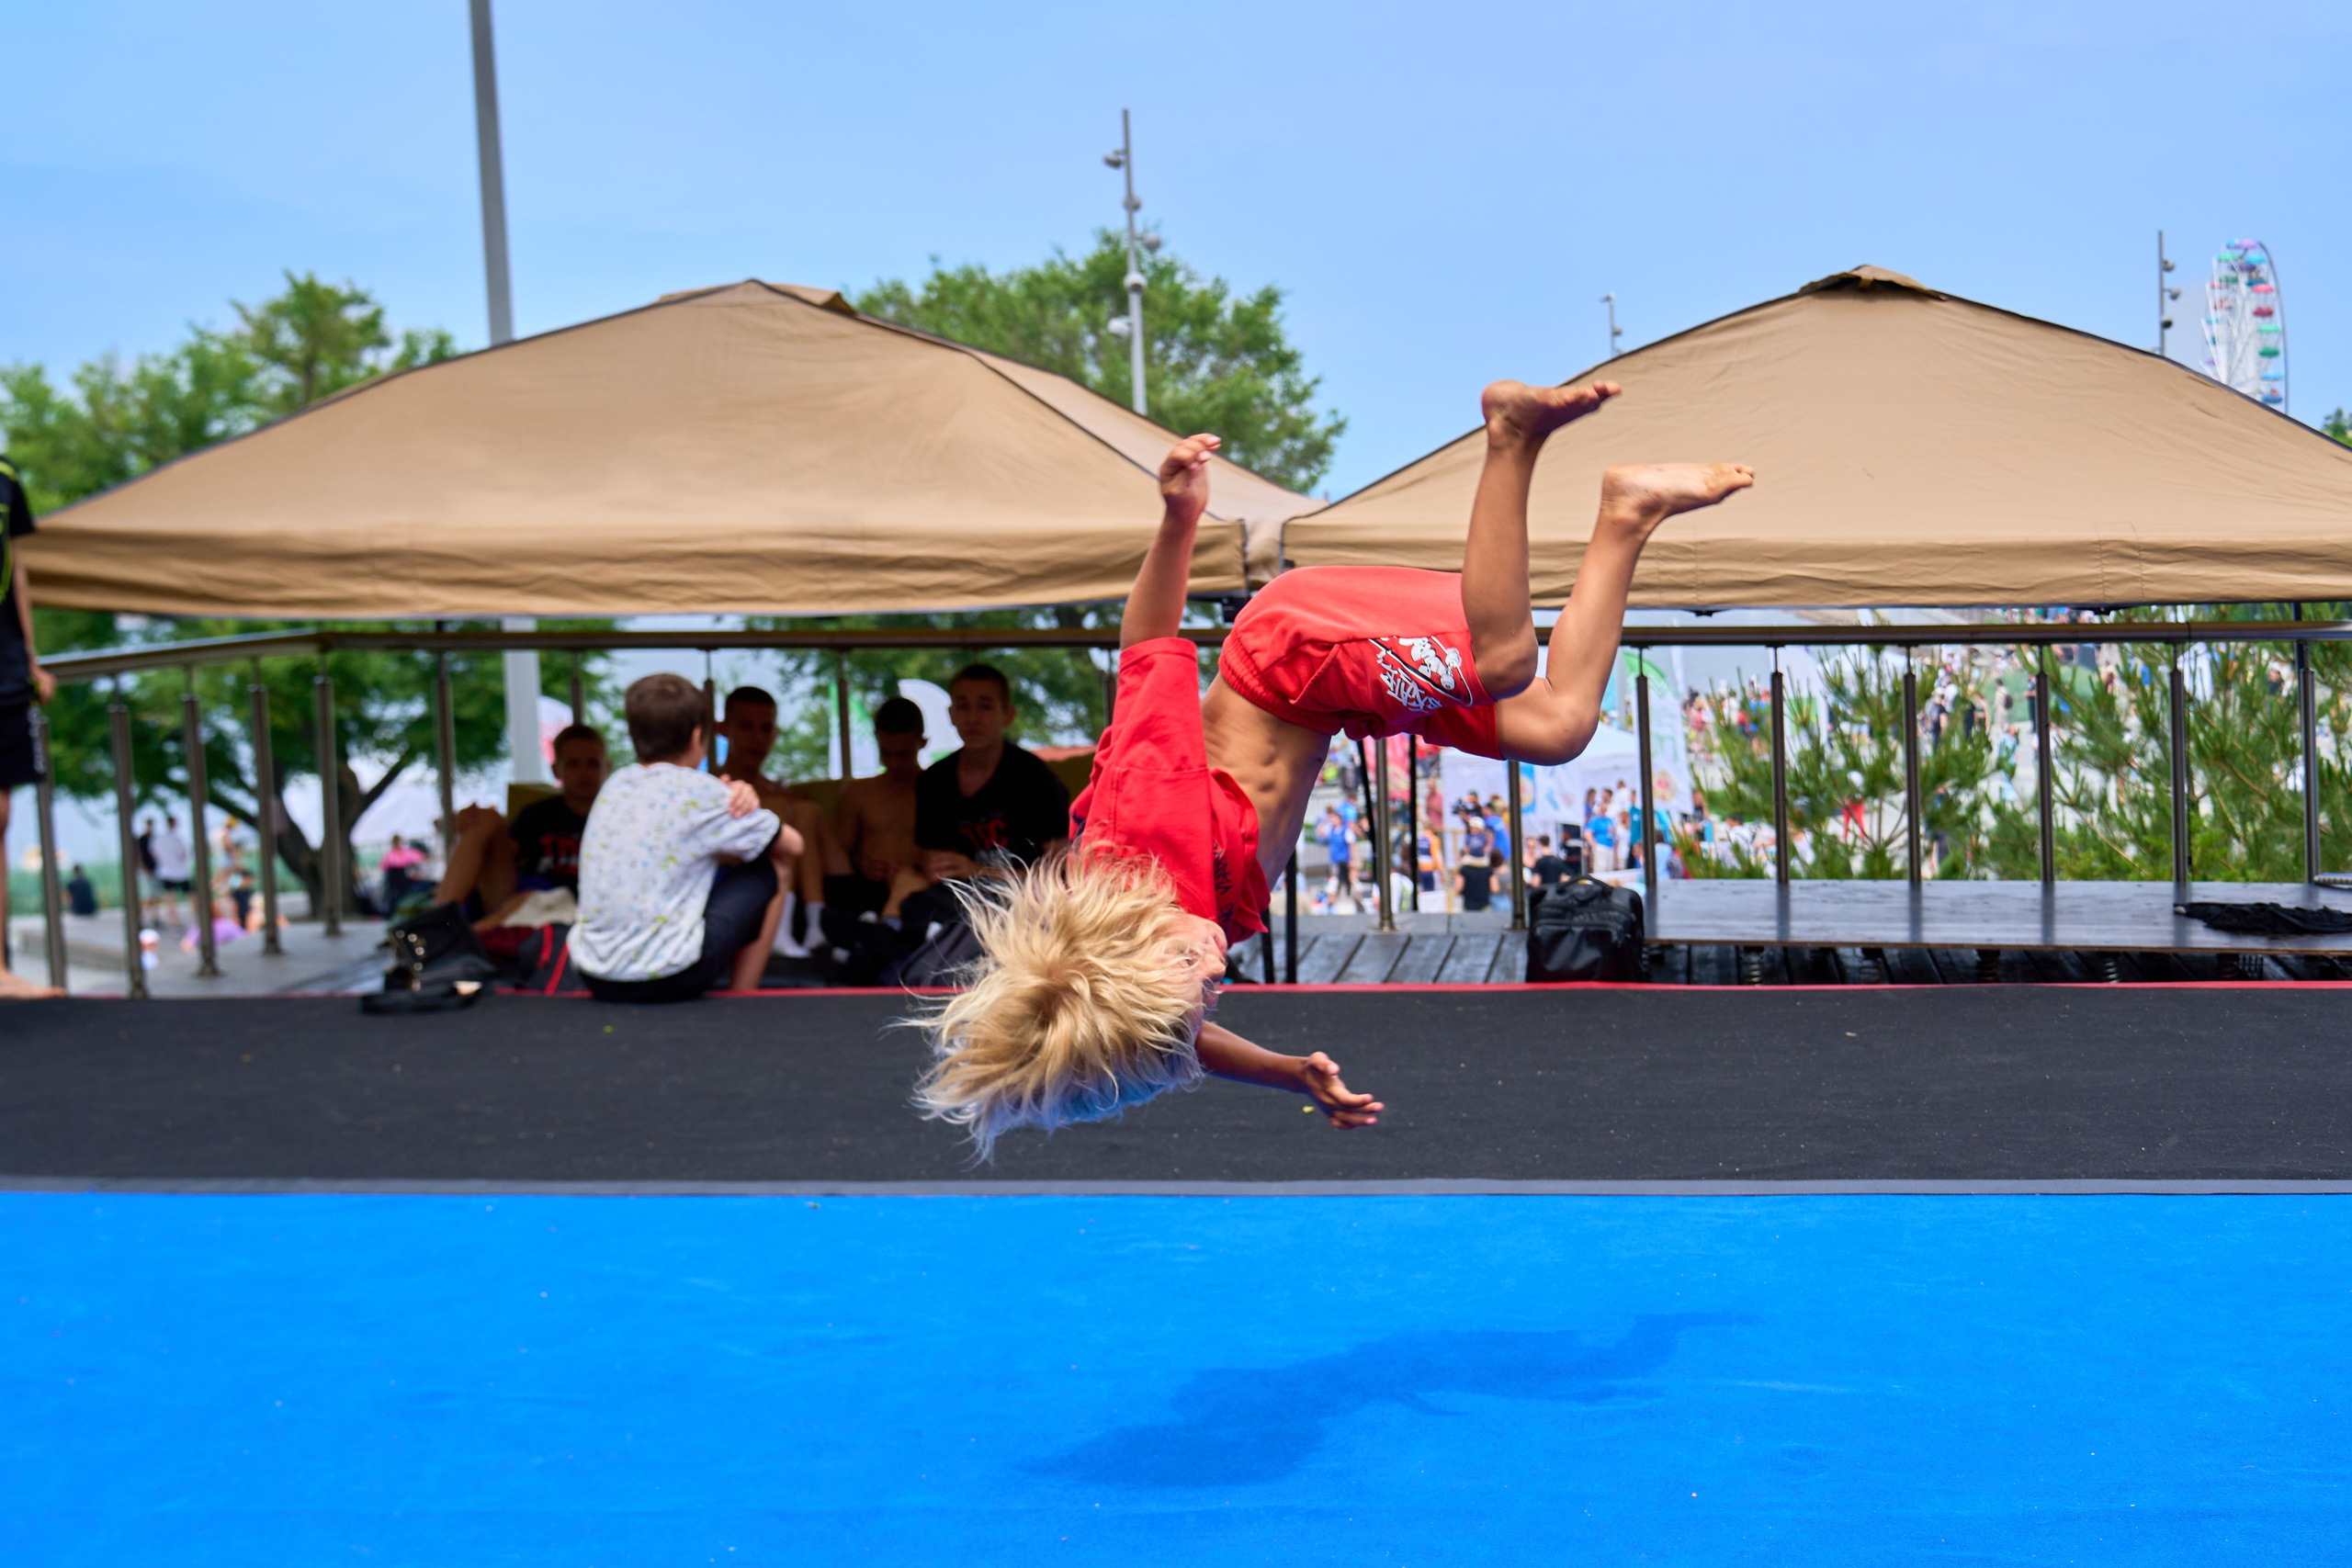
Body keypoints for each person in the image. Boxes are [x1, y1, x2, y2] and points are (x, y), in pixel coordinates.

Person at [914, 378, 1751, 1152]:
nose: (1216, 971)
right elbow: (1178, 1034)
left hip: (1296, 652)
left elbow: (1147, 650)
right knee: (1561, 723)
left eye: (1190, 971)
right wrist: (1286, 1072)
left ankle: (1512, 434)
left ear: (1121, 951)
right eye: (1203, 990)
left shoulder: (1139, 837)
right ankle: (1628, 511)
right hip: (1336, 703)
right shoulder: (1158, 966)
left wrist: (1179, 517)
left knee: (1504, 662)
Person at [571, 674, 804, 1002]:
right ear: (697, 735)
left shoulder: (614, 785)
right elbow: (794, 844)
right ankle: (744, 995)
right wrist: (744, 800)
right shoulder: (701, 791)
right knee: (774, 864)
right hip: (669, 975)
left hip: (595, 974)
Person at [904, 664, 1069, 901]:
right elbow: (932, 863)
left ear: (1008, 715)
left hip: (1026, 901)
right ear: (951, 715)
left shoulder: (1035, 777)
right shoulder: (934, 781)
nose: (972, 718)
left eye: (985, 706)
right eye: (963, 706)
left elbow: (1060, 870)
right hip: (958, 900)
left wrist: (978, 871)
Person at [714, 684, 853, 956]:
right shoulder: (711, 788)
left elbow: (838, 864)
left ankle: (817, 925)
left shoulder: (788, 796)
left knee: (807, 811)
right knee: (784, 808)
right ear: (723, 729)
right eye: (746, 726)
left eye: (765, 729)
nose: (757, 738)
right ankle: (785, 929)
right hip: (738, 894)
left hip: (805, 894)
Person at [435, 724, 608, 929]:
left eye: (592, 764)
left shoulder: (619, 816)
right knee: (485, 818)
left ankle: (447, 935)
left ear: (607, 768)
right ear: (556, 770)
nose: (583, 772)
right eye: (572, 764)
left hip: (585, 908)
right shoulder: (538, 814)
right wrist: (470, 824)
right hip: (528, 900)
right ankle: (439, 921)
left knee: (529, 903)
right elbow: (502, 854)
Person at [0, 457, 57, 997]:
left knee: (0, 814)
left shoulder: (7, 476)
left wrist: (33, 657)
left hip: (7, 669)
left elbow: (16, 565)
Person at [826, 695, 931, 933]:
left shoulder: (937, 793)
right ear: (877, 739)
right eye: (886, 753)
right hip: (866, 890)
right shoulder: (858, 792)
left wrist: (914, 870)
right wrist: (862, 863)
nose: (894, 763)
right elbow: (838, 852)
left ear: (922, 743)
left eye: (903, 754)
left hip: (919, 890)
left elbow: (950, 853)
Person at [150, 813, 194, 928]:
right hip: (179, 872)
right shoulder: (178, 839)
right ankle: (194, 918)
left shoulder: (160, 839)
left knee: (170, 898)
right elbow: (185, 854)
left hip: (167, 872)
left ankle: (174, 921)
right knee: (190, 896)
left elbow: (155, 855)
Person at [1455, 818, 1495, 912]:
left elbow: (1458, 888)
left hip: (1469, 905)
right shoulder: (1487, 869)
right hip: (1483, 905)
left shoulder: (1465, 869)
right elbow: (1494, 888)